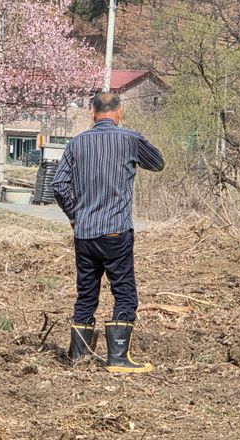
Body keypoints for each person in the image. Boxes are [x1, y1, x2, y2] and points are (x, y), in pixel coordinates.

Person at [52, 91, 164, 373]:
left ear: (92, 113)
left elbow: (58, 185)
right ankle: (118, 358)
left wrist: (74, 216)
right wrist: (137, 142)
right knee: (124, 293)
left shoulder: (76, 143)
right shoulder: (129, 139)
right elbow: (157, 162)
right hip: (116, 231)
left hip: (85, 233)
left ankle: (78, 357)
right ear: (119, 112)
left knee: (86, 294)